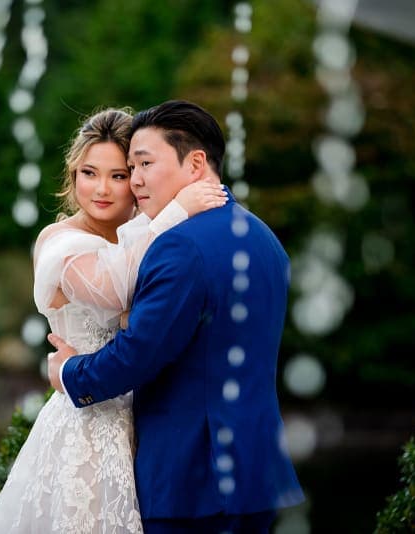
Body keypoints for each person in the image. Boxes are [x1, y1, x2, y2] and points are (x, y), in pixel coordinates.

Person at [47, 100, 305, 533]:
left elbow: (137, 354)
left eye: (144, 164)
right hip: (258, 475)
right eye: (132, 167)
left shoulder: (179, 245)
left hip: (191, 482)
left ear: (196, 164)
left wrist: (69, 372)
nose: (136, 180)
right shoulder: (263, 238)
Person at [0, 107, 227, 533]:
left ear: (136, 179)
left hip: (148, 426)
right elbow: (112, 287)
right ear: (73, 176)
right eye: (89, 173)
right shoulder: (60, 242)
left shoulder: (140, 233)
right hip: (88, 427)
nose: (102, 189)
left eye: (118, 175)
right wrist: (176, 211)